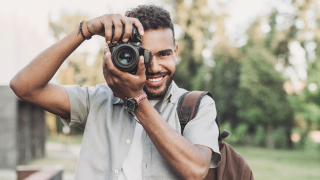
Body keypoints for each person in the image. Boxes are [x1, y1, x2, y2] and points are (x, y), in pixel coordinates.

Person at [10, 5, 221, 180]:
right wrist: (85, 30)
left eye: (164, 54)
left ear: (175, 51)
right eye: (144, 56)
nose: (155, 67)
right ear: (122, 56)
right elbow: (24, 87)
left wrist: (136, 100)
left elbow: (195, 170)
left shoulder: (197, 105)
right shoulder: (97, 100)